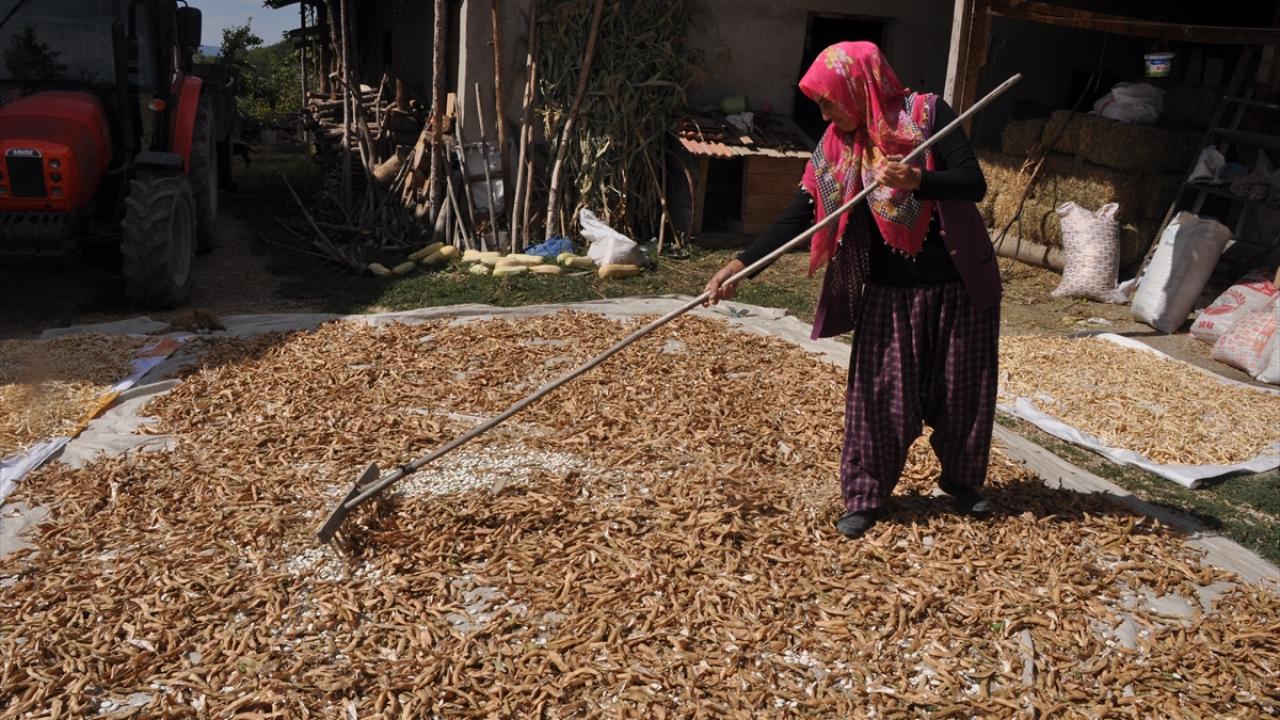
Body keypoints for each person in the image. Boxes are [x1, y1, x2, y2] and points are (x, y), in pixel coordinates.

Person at [704, 42, 1001, 538]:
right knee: (878, 398)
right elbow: (800, 214)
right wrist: (741, 264)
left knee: (962, 391)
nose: (824, 114)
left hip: (958, 284)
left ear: (857, 87)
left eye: (828, 101)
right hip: (889, 292)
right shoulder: (835, 148)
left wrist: (918, 180)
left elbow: (973, 183)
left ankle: (962, 481)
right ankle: (865, 496)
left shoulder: (927, 115)